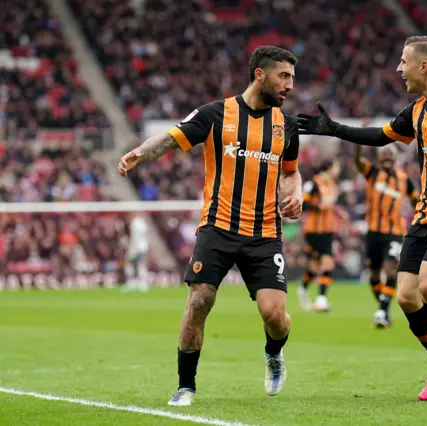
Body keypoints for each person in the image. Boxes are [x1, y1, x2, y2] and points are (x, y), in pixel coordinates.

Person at [297, 35, 427, 401]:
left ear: (424, 65)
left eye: (403, 62)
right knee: (405, 296)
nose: (398, 69)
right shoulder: (417, 110)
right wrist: (335, 129)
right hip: (426, 212)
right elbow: (381, 136)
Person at [117, 46, 303, 405]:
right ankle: (186, 386)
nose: (290, 85)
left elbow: (292, 172)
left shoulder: (287, 125)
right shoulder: (217, 114)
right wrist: (140, 152)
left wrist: (297, 194)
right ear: (259, 74)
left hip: (264, 233)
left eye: (292, 78)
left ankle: (274, 355)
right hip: (217, 227)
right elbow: (172, 138)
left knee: (275, 316)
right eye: (284, 76)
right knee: (200, 299)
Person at [354, 144, 419, 328]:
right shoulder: (372, 173)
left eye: (390, 156)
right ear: (379, 159)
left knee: (391, 270)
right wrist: (358, 142)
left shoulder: (404, 180)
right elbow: (357, 161)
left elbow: (415, 199)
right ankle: (385, 309)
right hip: (373, 231)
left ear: (395, 159)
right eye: (384, 156)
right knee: (374, 277)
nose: (387, 159)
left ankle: (382, 309)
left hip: (394, 232)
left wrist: (420, 214)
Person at [297, 159, 341, 312]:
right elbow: (303, 203)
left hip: (328, 230)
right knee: (327, 262)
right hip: (314, 230)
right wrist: (318, 206)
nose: (338, 170)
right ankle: (321, 299)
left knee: (315, 267)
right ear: (329, 168)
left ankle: (304, 289)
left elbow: (330, 205)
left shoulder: (332, 185)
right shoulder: (313, 184)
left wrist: (339, 213)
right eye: (336, 167)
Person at [122, 213, 149, 293]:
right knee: (141, 264)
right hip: (144, 247)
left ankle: (130, 283)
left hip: (136, 248)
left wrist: (132, 249)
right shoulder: (143, 223)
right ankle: (143, 284)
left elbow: (135, 238)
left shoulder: (134, 224)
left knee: (128, 263)